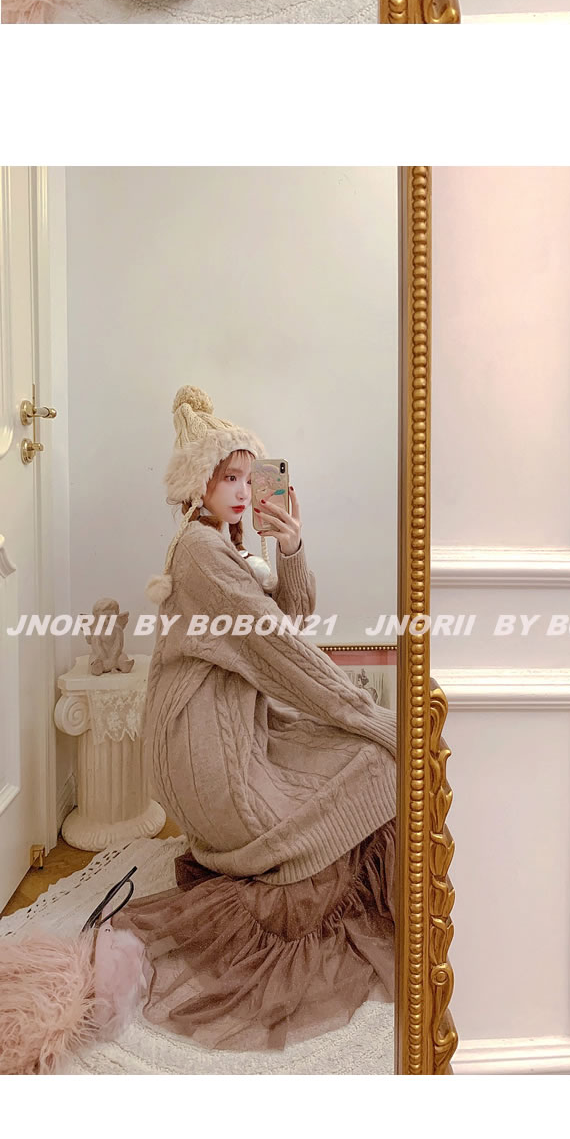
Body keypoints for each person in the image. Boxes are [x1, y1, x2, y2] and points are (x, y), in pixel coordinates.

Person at [127, 387, 396, 1056]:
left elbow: (289, 624)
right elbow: (283, 652)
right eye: (229, 478)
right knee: (376, 755)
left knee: (351, 747)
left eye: (250, 477)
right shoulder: (200, 551)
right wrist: (374, 718)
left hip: (230, 732)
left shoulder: (222, 548)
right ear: (198, 485)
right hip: (210, 755)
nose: (245, 491)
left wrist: (292, 548)